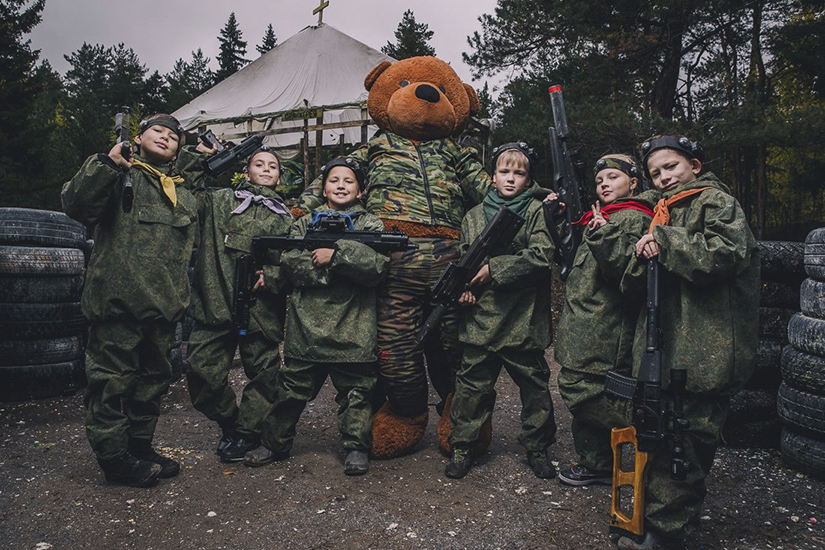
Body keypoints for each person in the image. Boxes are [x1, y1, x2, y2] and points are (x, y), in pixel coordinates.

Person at [618, 135, 760, 550]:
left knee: (687, 436)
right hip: (669, 342)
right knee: (660, 431)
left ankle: (668, 532)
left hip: (704, 346)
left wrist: (664, 242)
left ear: (694, 166)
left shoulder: (715, 202)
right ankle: (653, 518)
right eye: (656, 172)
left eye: (672, 167)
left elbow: (729, 252)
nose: (663, 177)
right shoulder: (661, 212)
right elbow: (637, 273)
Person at [61, 114, 212, 487]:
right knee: (111, 384)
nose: (165, 138)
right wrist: (108, 163)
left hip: (162, 306)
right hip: (118, 305)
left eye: (173, 136)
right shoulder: (120, 175)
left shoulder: (180, 190)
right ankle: (114, 459)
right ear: (139, 137)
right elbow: (76, 205)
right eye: (157, 131)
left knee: (152, 382)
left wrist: (205, 159)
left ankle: (139, 446)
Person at [245, 157, 389, 475]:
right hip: (306, 327)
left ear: (361, 190)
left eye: (348, 181)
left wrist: (336, 257)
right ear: (323, 188)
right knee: (290, 391)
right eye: (334, 180)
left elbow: (377, 268)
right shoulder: (303, 223)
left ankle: (356, 447)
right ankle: (274, 442)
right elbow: (290, 263)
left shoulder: (371, 225)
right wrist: (330, 269)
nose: (340, 185)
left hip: (353, 329)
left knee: (356, 393)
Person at [445, 142, 558, 479]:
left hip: (523, 318)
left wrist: (494, 269)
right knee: (471, 389)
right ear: (492, 176)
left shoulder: (537, 210)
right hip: (481, 318)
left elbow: (541, 256)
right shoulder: (474, 215)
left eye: (519, 173)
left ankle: (538, 448)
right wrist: (463, 292)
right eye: (504, 172)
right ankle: (462, 447)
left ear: (528, 179)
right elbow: (465, 261)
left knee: (535, 388)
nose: (511, 179)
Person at [185, 146, 294, 463]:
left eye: (273, 166)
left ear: (278, 178)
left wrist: (272, 276)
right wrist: (214, 160)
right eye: (258, 163)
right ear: (245, 172)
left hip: (262, 313)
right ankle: (230, 422)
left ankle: (247, 433)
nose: (266, 168)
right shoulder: (220, 202)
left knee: (265, 376)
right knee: (201, 371)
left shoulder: (287, 220)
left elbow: (294, 262)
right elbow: (187, 191)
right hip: (214, 306)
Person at [554, 155, 656, 487]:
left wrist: (604, 235)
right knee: (584, 384)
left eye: (613, 177)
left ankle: (649, 430)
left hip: (606, 328)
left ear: (634, 184)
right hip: (588, 323)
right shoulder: (602, 217)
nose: (604, 184)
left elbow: (628, 276)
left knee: (584, 391)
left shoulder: (629, 219)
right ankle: (596, 462)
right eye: (600, 181)